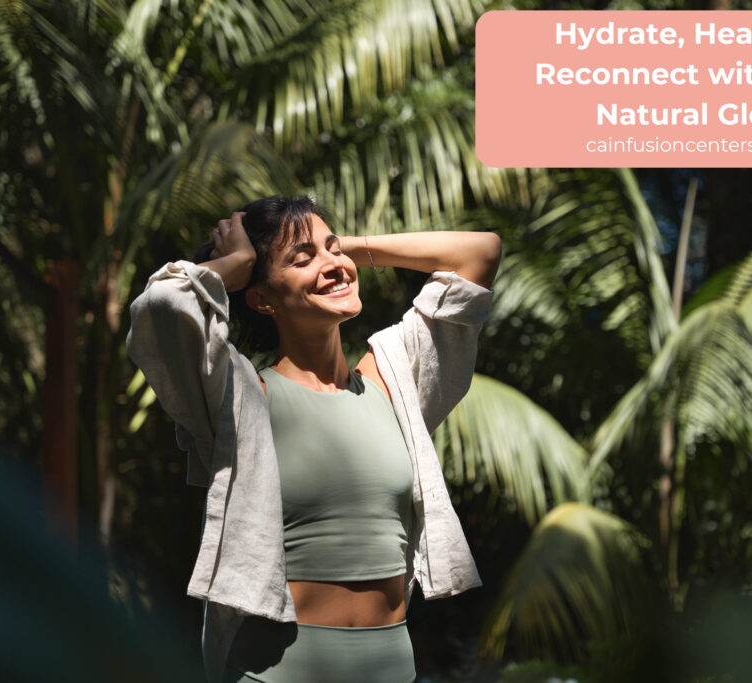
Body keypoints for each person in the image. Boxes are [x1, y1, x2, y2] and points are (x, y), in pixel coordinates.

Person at [126, 196, 501, 682]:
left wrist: (346, 251)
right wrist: (239, 262)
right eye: (301, 260)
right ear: (262, 298)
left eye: (332, 249)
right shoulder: (242, 394)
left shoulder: (394, 375)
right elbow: (161, 306)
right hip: (279, 670)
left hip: (392, 668)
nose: (331, 266)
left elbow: (480, 253)